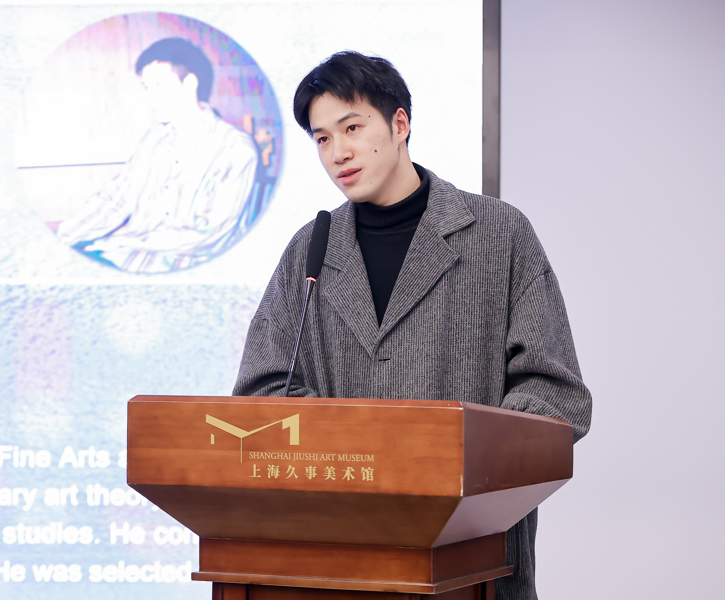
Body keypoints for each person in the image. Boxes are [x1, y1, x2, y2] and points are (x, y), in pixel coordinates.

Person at [232, 51, 592, 600]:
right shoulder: (310, 249)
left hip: (472, 563)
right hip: (336, 564)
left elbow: (556, 393)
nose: (337, 152)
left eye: (352, 128)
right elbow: (261, 391)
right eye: (322, 139)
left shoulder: (499, 233)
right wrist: (351, 449)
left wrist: (456, 454)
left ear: (399, 124)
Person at [57, 37, 259, 273]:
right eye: (147, 87)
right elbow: (115, 200)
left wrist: (123, 241)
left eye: (159, 85)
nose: (151, 97)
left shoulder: (235, 148)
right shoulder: (152, 141)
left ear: (190, 83)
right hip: (128, 255)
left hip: (193, 265)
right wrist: (63, 238)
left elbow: (209, 234)